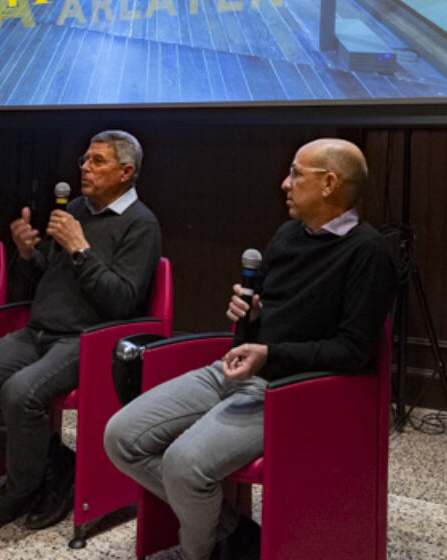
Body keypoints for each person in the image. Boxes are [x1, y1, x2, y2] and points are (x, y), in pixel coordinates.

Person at [103, 138, 396, 560]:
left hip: (289, 392)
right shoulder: (287, 235)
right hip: (236, 368)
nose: (285, 183)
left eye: (296, 173)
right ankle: (233, 533)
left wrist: (270, 354)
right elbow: (273, 316)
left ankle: (193, 554)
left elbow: (354, 351)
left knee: (184, 465)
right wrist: (252, 314)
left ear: (329, 183)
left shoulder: (368, 253)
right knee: (121, 436)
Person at [0, 129, 162, 532]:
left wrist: (81, 250)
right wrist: (28, 253)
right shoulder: (77, 209)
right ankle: (56, 464)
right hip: (39, 331)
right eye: (84, 158)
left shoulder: (142, 225)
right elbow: (47, 277)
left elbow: (122, 301)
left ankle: (18, 491)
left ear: (125, 172)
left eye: (97, 161)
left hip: (89, 338)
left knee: (20, 392)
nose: (84, 167)